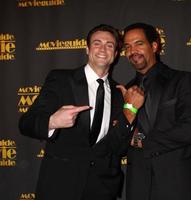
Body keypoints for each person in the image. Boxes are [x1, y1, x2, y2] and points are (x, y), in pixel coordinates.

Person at [19, 24, 144, 200]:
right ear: (87, 49)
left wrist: (130, 111)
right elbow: (26, 123)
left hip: (102, 189)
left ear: (115, 54)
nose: (103, 49)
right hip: (60, 187)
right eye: (97, 43)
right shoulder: (61, 79)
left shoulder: (119, 94)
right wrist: (52, 121)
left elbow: (118, 148)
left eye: (109, 45)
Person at [122, 23, 191, 200]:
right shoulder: (125, 92)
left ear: (154, 46)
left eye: (138, 43)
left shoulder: (182, 80)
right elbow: (121, 139)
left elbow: (189, 130)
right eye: (127, 46)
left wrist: (143, 141)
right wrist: (129, 109)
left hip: (181, 183)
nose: (132, 51)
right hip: (141, 186)